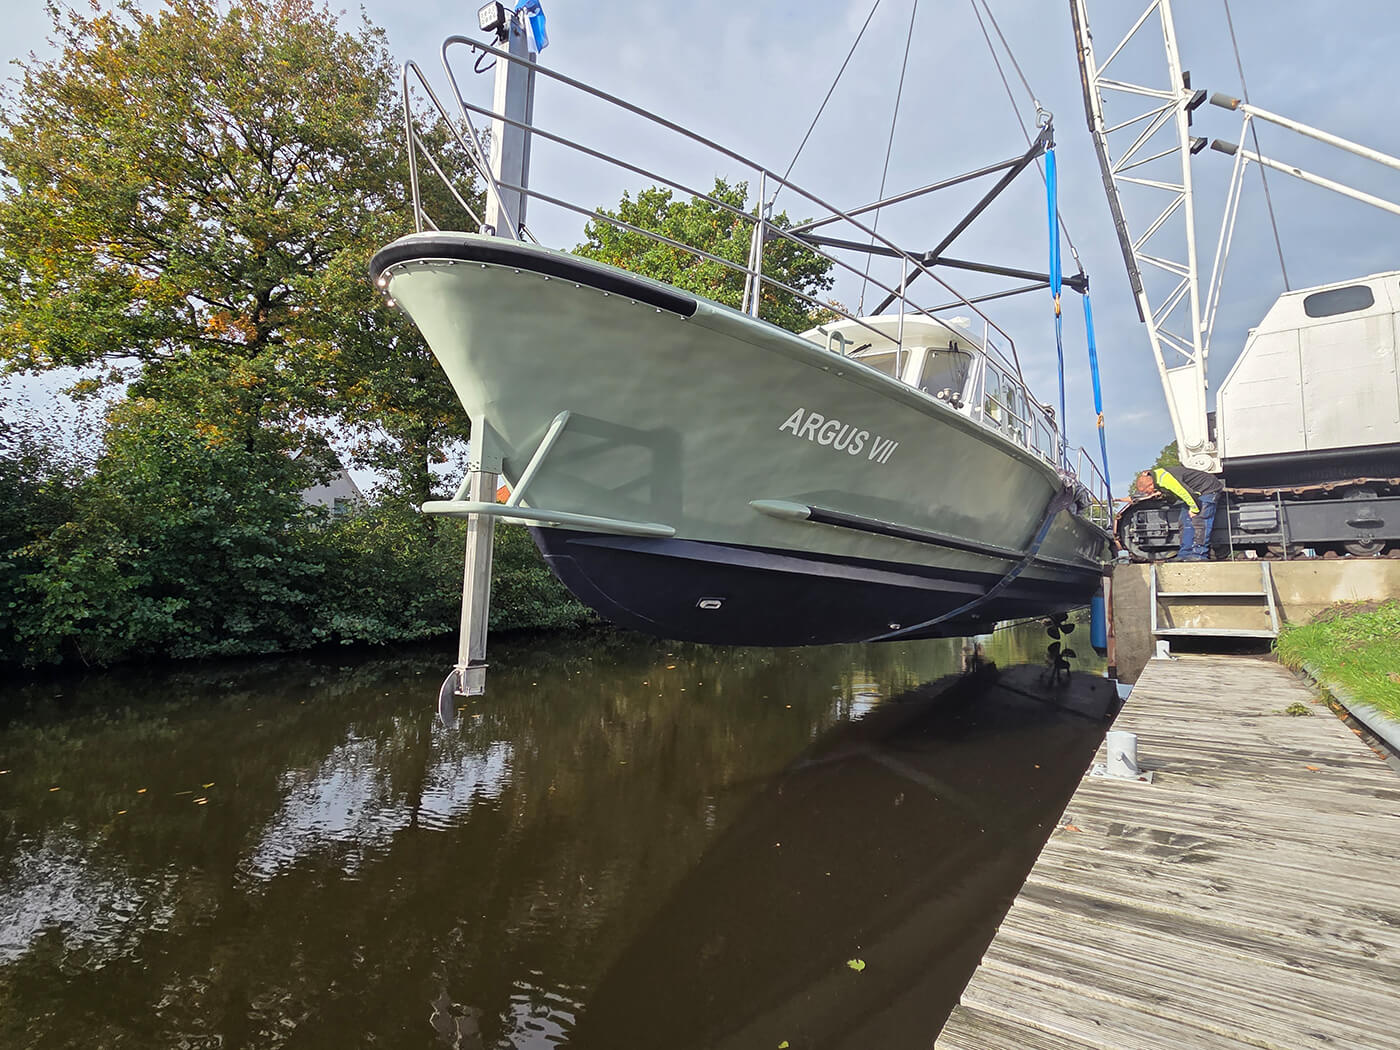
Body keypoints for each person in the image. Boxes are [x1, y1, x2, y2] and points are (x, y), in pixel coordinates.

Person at [1133, 465, 1224, 561]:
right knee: (1184, 521)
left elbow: (1185, 493)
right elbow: (1175, 496)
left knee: (1199, 521)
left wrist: (1194, 509)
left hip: (1207, 489)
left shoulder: (1165, 479)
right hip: (1195, 493)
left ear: (1150, 484)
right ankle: (1185, 554)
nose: (1148, 494)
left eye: (1147, 491)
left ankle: (1199, 554)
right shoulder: (1157, 479)